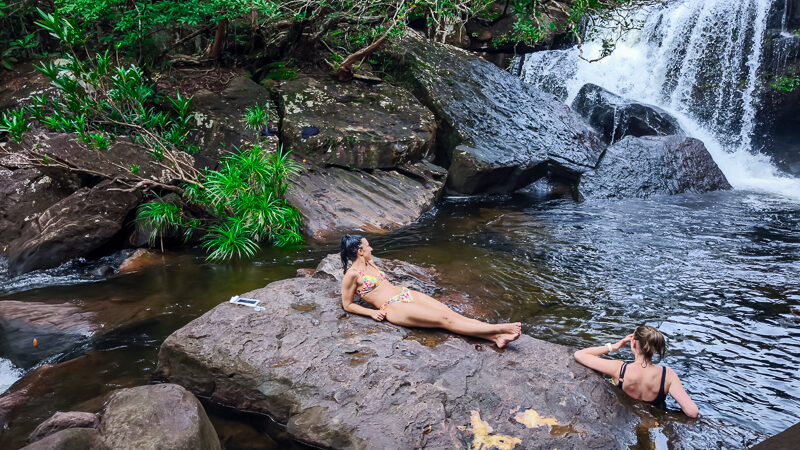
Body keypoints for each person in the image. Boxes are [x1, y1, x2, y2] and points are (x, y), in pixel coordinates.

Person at [340, 234, 522, 348]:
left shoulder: (369, 262)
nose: (371, 248)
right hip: (393, 307)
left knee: (451, 314)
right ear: (359, 251)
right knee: (445, 320)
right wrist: (371, 313)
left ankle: (496, 337)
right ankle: (498, 329)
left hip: (406, 294)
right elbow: (347, 305)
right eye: (368, 246)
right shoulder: (352, 275)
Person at [573, 325, 699, 418]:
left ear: (633, 344)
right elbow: (692, 412)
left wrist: (614, 346)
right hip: (655, 419)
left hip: (626, 417)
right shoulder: (668, 375)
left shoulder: (619, 369)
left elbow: (580, 354)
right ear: (654, 349)